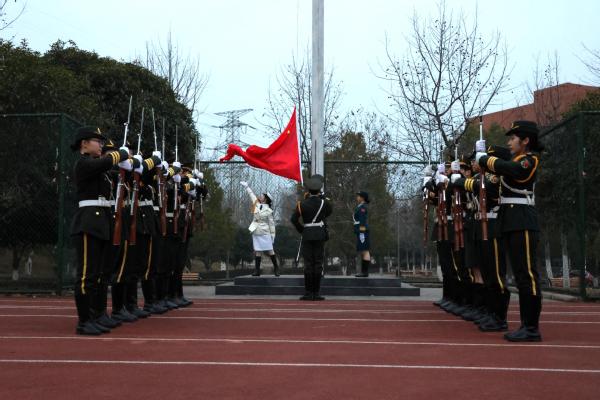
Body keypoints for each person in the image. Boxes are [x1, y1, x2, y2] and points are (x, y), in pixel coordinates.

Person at [476, 120, 544, 342]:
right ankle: (526, 325)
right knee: (519, 274)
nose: (509, 142)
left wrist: (486, 159)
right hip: (511, 221)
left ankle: (531, 327)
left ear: (526, 141)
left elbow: (513, 170)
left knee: (526, 275)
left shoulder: (529, 160)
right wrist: (481, 160)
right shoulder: (512, 160)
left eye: (513, 138)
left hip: (522, 220)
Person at [70, 126, 129, 335]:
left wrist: (131, 165)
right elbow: (105, 162)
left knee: (97, 274)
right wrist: (120, 154)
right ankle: (84, 321)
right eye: (98, 141)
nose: (101, 145)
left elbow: (112, 173)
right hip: (88, 222)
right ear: (84, 144)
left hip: (101, 222)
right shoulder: (83, 163)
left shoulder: (100, 170)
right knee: (86, 275)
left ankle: (96, 315)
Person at [291, 176, 332, 300]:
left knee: (308, 264)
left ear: (308, 190)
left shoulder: (301, 204)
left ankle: (308, 293)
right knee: (318, 263)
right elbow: (329, 212)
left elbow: (293, 219)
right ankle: (316, 293)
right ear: (319, 190)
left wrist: (302, 229)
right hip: (319, 234)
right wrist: (322, 199)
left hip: (307, 234)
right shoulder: (325, 203)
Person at [240, 181, 279, 277]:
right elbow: (252, 195)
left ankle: (276, 268)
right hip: (256, 231)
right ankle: (257, 271)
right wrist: (247, 187)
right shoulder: (256, 204)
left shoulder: (269, 210)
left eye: (262, 196)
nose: (260, 196)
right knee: (258, 251)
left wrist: (273, 236)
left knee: (270, 250)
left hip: (265, 232)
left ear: (266, 199)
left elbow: (271, 224)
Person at [354, 191, 371, 277]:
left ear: (362, 198)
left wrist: (361, 232)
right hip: (361, 231)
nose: (357, 197)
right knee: (364, 251)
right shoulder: (360, 206)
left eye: (358, 196)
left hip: (362, 231)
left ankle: (364, 272)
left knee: (365, 251)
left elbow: (362, 221)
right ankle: (364, 272)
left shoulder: (362, 207)